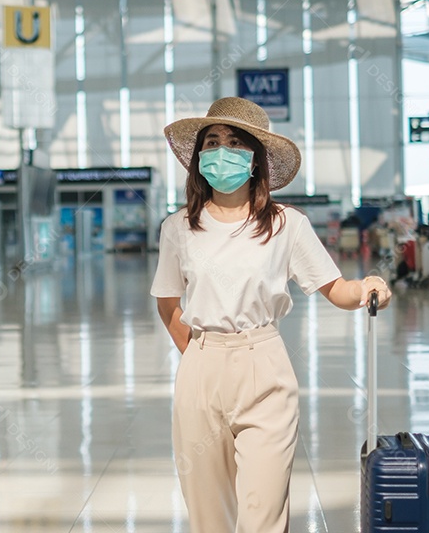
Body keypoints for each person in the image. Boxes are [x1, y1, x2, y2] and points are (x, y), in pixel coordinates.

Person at [150, 97, 393, 533]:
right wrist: (198, 353)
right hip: (200, 370)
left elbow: (334, 289)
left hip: (264, 366)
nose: (221, 151)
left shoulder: (286, 224)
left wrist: (366, 288)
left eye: (234, 143)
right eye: (212, 141)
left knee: (262, 512)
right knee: (209, 517)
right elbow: (168, 301)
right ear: (199, 157)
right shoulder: (178, 228)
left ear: (255, 160)